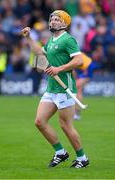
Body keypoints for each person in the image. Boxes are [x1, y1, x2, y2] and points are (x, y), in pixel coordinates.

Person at [21, 10, 89, 168]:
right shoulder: (51, 40)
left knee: (65, 125)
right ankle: (60, 152)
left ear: (64, 23)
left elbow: (79, 61)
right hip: (51, 88)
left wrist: (59, 69)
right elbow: (39, 53)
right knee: (39, 122)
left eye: (57, 19)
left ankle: (82, 158)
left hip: (65, 89)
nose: (52, 21)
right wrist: (29, 38)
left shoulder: (68, 39)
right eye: (51, 19)